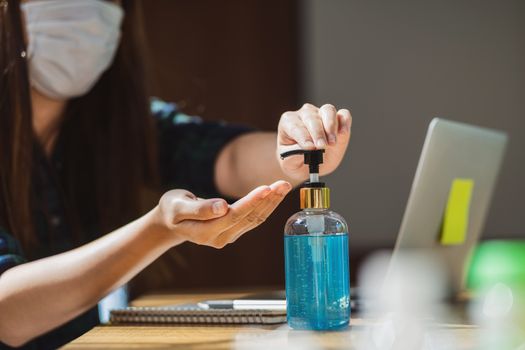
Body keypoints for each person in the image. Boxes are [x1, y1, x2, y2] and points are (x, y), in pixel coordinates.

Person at [0, 0, 352, 348]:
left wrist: (296, 151)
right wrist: (157, 231)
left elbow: (227, 158)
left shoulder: (120, 125)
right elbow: (7, 315)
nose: (86, 11)